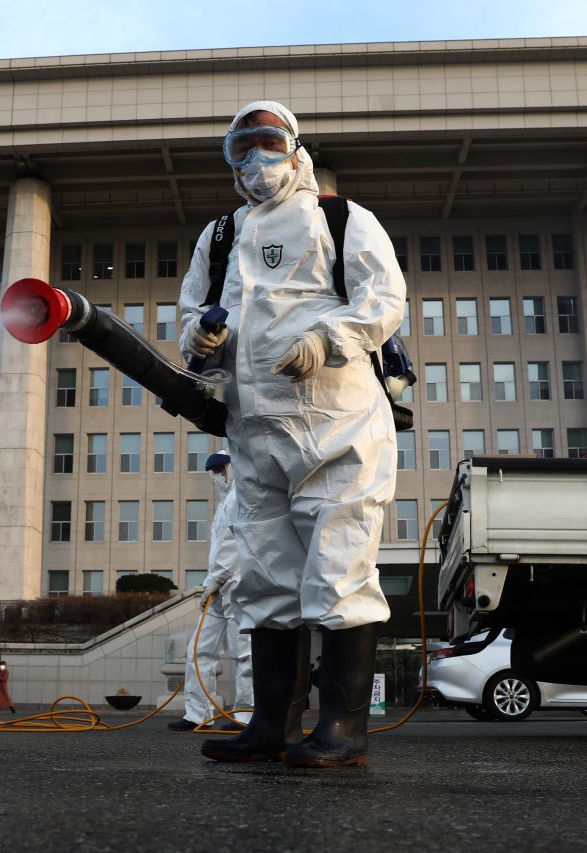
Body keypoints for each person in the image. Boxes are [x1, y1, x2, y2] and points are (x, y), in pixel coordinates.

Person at [179, 100, 406, 768]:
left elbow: (384, 299)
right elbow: (192, 316)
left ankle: (341, 728)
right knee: (267, 579)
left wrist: (329, 338)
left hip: (339, 427)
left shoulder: (340, 218)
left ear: (295, 148)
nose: (255, 162)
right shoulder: (220, 236)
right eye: (240, 150)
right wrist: (203, 337)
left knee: (337, 573)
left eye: (266, 144)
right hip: (256, 434)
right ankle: (271, 723)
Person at [167, 451, 254, 733]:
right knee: (198, 649)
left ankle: (245, 715)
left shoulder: (242, 495)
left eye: (220, 468)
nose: (216, 474)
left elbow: (235, 541)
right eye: (213, 470)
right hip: (218, 587)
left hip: (238, 584)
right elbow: (218, 549)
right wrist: (210, 584)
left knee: (243, 653)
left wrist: (217, 577)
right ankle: (198, 714)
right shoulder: (223, 503)